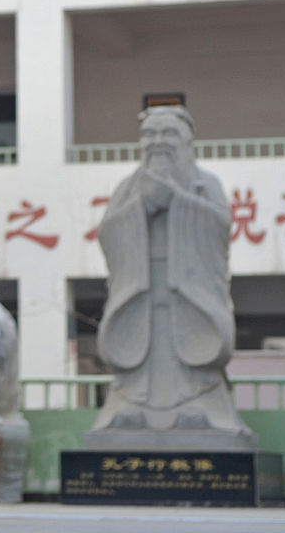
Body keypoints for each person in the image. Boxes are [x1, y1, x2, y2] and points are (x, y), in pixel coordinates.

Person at [89, 105, 255, 445]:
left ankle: (202, 408)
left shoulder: (205, 183)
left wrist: (176, 201)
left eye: (168, 134)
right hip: (140, 293)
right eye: (149, 134)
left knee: (192, 366)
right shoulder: (127, 188)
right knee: (140, 364)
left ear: (188, 142)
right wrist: (143, 207)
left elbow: (219, 227)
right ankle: (129, 410)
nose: (157, 142)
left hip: (188, 295)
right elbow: (108, 233)